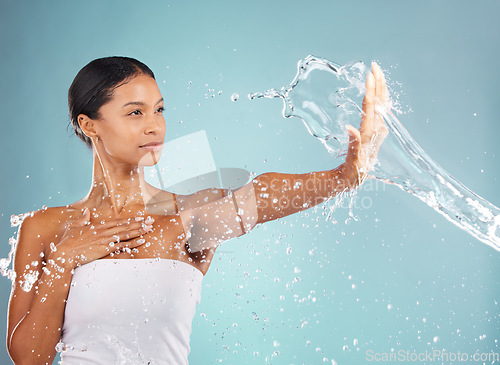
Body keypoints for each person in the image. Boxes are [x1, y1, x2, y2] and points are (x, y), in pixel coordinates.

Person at [6, 56, 389, 364]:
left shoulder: (184, 218)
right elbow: (27, 357)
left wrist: (344, 176)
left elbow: (262, 192)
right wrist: (65, 259)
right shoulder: (46, 228)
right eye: (135, 113)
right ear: (89, 125)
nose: (155, 126)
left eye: (159, 110)